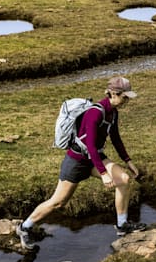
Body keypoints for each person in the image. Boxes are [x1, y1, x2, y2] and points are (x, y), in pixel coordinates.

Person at [16, 75, 146, 249]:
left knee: (124, 179)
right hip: (77, 161)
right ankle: (24, 228)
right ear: (114, 94)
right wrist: (103, 173)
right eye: (125, 97)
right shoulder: (94, 113)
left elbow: (116, 138)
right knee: (59, 202)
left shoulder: (113, 113)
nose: (126, 101)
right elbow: (90, 145)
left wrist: (128, 161)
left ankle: (122, 225)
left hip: (95, 157)